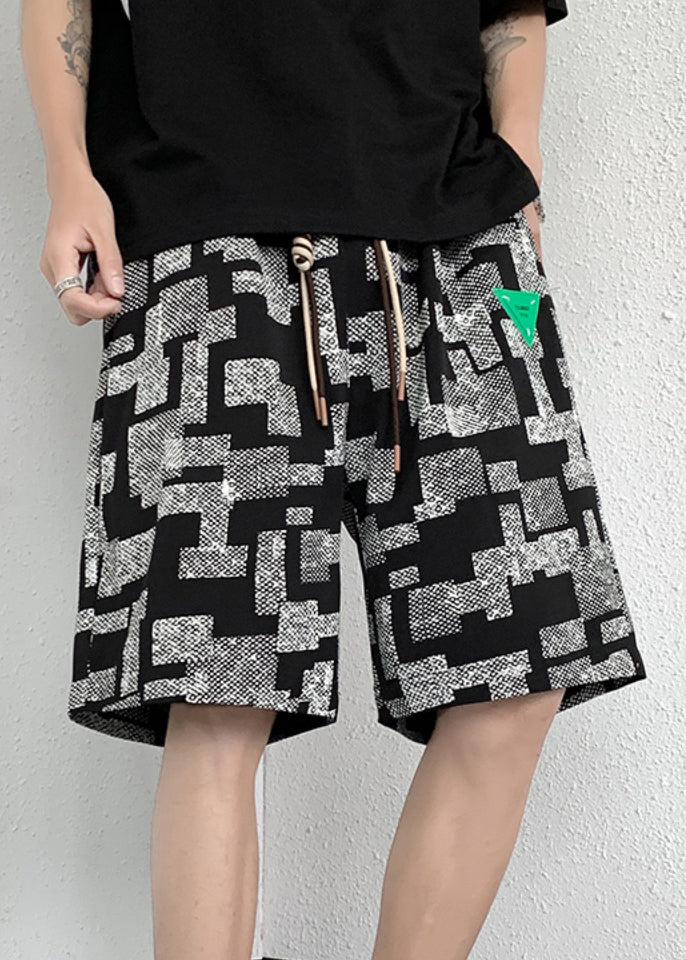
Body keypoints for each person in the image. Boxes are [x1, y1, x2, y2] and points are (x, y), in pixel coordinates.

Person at [22, 1, 647, 958]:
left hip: (465, 249)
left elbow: (512, 7)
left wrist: (520, 160)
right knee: (218, 688)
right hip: (209, 245)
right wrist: (69, 172)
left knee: (523, 670)